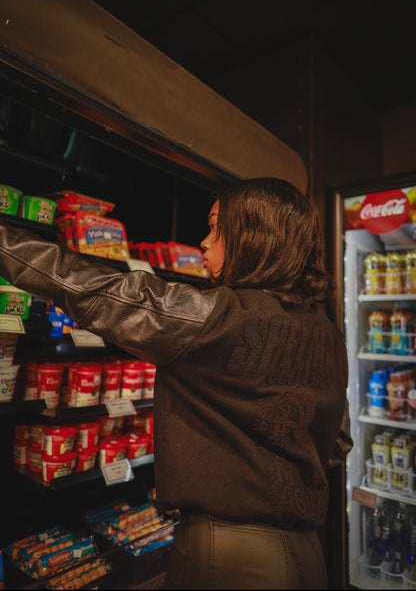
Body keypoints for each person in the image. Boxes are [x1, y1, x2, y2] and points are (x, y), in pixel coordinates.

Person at [0, 177, 351, 589]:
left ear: (254, 236)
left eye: (216, 227)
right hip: (310, 553)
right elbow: (336, 445)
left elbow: (92, 289)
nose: (203, 241)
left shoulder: (216, 318)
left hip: (230, 554)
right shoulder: (327, 333)